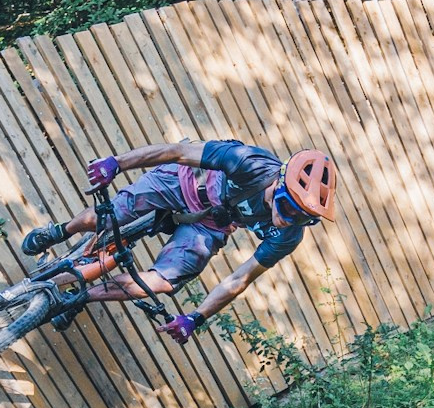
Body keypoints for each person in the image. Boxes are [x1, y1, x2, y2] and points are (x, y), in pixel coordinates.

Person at [17, 140, 338, 342]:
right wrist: (117, 163)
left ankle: (79, 298)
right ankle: (60, 231)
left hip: (213, 223)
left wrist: (196, 318)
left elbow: (240, 278)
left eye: (303, 217)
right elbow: (178, 152)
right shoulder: (248, 162)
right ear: (279, 181)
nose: (288, 219)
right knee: (107, 217)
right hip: (187, 185)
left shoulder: (288, 235)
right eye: (286, 207)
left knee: (163, 282)